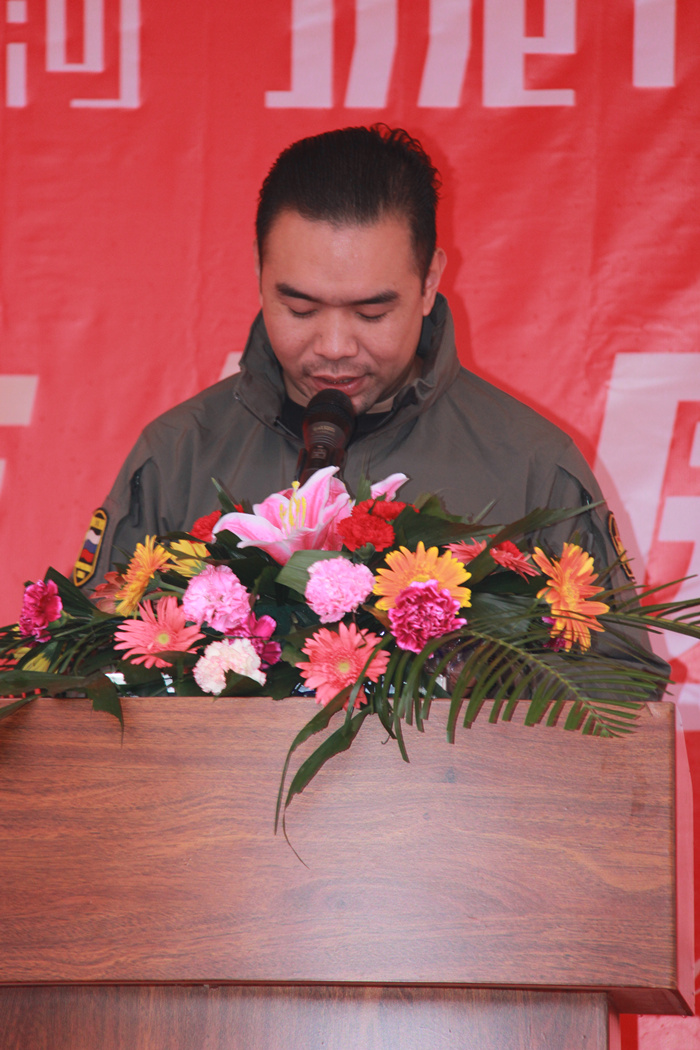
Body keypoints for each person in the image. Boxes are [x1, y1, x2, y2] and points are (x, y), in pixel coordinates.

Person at [74, 125, 631, 593]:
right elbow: (82, 667)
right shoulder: (178, 457)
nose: (334, 346)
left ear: (429, 281)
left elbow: (616, 680)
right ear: (260, 273)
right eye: (300, 309)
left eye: (371, 313)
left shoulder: (532, 468)